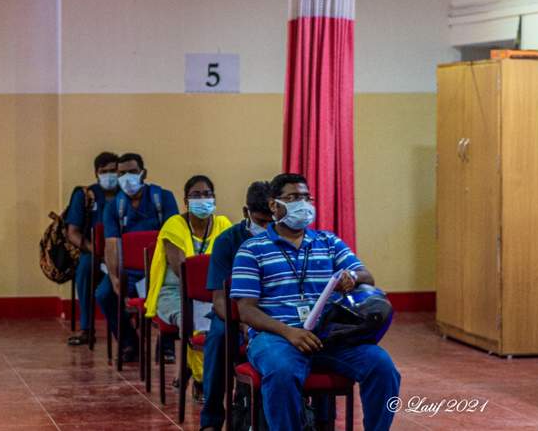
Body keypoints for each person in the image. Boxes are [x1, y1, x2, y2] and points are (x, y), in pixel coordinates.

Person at [231, 173, 401, 431]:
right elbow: (246, 310)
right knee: (282, 373)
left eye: (306, 197)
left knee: (382, 366)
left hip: (328, 337)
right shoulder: (252, 249)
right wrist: (290, 333)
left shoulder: (328, 242)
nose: (303, 203)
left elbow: (368, 276)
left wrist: (351, 276)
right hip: (276, 336)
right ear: (274, 206)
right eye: (293, 197)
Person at [144, 175, 233, 389]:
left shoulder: (223, 224)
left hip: (215, 293)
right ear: (186, 201)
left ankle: (201, 371)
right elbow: (183, 271)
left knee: (230, 321)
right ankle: (202, 379)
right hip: (175, 292)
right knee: (195, 322)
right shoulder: (174, 225)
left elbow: (231, 264)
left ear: (214, 198)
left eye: (207, 194)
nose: (202, 199)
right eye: (196, 195)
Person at [199, 180, 272, 431]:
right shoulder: (227, 241)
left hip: (273, 311)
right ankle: (211, 418)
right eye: (261, 221)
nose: (267, 227)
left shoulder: (283, 237)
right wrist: (242, 322)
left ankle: (320, 419)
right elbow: (219, 299)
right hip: (232, 313)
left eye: (271, 221)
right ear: (246, 213)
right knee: (219, 337)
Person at [98, 152, 179, 362]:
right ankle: (129, 342)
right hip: (129, 271)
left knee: (169, 291)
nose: (127, 178)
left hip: (160, 267)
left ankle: (166, 344)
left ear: (144, 173)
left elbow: (173, 238)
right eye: (121, 173)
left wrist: (167, 273)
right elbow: (112, 244)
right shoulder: (114, 206)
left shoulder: (163, 198)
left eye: (132, 172)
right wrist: (115, 278)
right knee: (104, 294)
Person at [64, 151, 119, 346]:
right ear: (96, 173)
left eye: (114, 171)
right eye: (105, 171)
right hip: (94, 253)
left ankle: (125, 326)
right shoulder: (86, 195)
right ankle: (87, 328)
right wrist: (94, 249)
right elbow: (73, 232)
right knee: (86, 268)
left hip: (122, 253)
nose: (110, 175)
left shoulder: (127, 195)